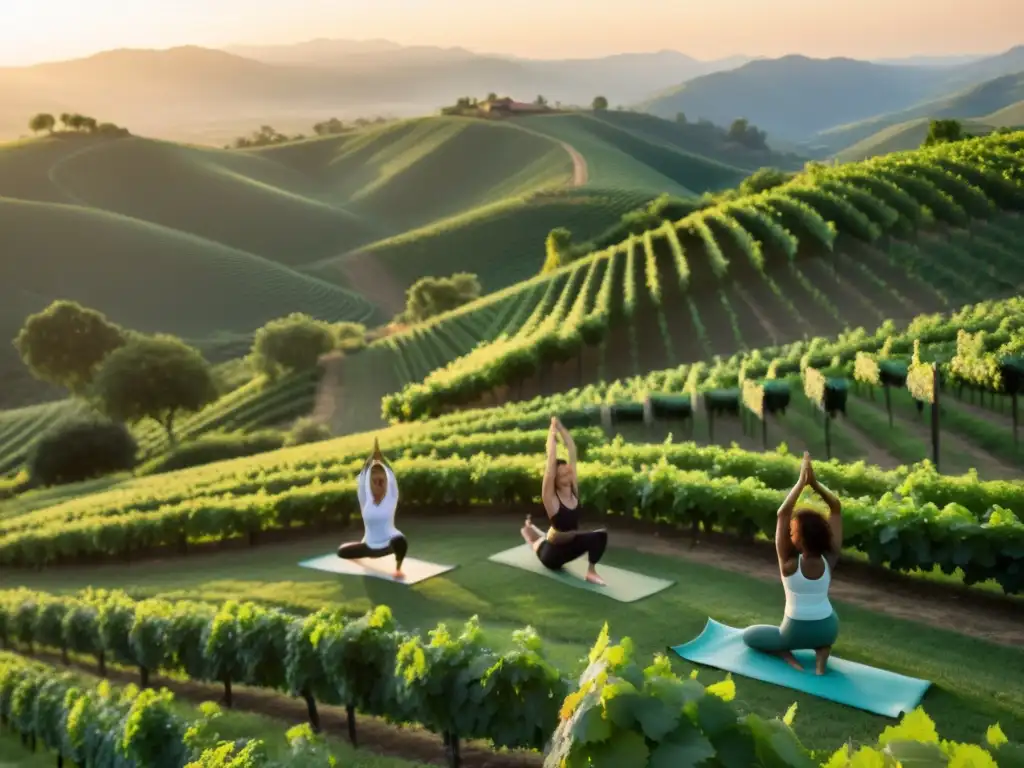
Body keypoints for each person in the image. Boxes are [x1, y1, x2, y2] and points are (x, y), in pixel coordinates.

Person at [742, 451, 843, 675]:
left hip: (794, 632)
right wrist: (815, 485)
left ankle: (785, 652)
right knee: (823, 635)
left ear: (799, 538)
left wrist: (801, 483)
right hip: (828, 629)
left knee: (749, 635)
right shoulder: (830, 558)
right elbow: (835, 507)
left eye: (792, 531)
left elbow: (782, 513)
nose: (789, 533)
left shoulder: (788, 563)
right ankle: (821, 655)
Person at [520, 417, 608, 586]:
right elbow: (550, 464)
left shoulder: (573, 489)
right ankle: (529, 530)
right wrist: (551, 434)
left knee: (600, 535)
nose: (568, 474)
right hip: (552, 555)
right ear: (555, 478)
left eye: (568, 471)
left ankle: (591, 572)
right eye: (562, 474)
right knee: (536, 542)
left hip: (570, 543)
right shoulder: (551, 499)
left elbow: (572, 449)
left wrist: (560, 427)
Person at [338, 438, 408, 580]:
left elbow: (391, 476)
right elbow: (363, 478)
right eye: (374, 482)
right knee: (342, 551)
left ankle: (398, 569)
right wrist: (371, 459)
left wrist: (381, 459)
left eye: (381, 481)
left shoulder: (391, 498)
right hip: (369, 547)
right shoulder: (366, 500)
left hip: (389, 545)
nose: (378, 484)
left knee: (401, 541)